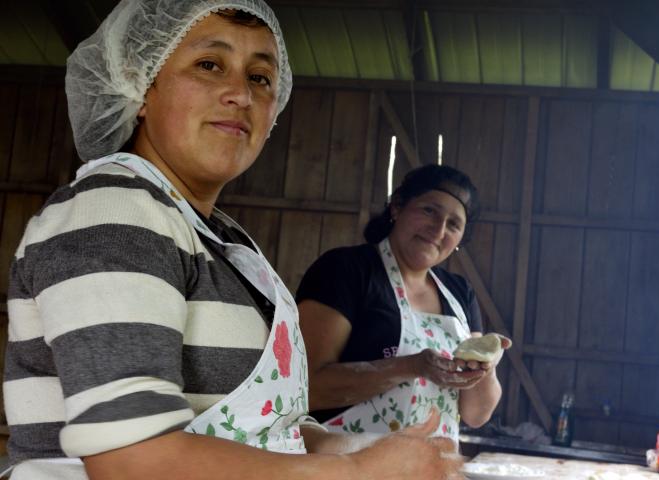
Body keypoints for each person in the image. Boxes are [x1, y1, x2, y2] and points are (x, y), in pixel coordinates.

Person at [2, 1, 462, 479]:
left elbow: (267, 427)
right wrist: (357, 473)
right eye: (209, 65)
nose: (240, 94)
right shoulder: (113, 211)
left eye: (260, 77)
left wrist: (362, 448)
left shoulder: (222, 242)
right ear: (142, 86)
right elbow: (131, 461)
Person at [297, 164, 510, 442]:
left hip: (430, 469)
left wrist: (487, 365)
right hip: (345, 466)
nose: (438, 229)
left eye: (454, 224)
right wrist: (411, 367)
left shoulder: (459, 293)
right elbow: (306, 388)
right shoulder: (345, 270)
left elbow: (476, 415)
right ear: (397, 207)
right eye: (429, 211)